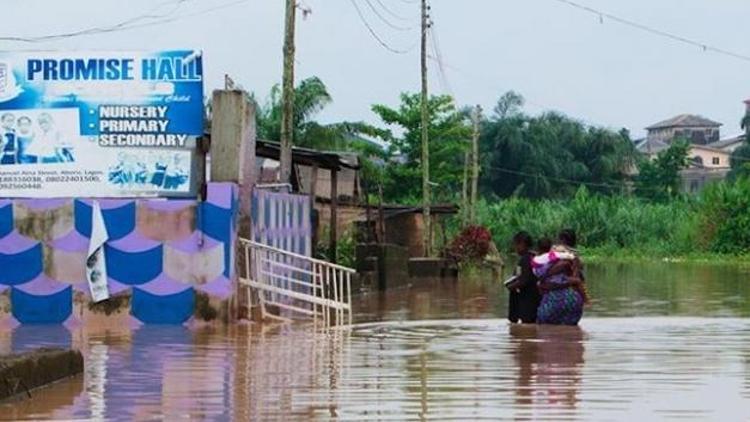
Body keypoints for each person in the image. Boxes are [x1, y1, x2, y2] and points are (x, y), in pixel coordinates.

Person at [533, 229, 587, 326]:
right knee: (572, 336)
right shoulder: (577, 258)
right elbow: (579, 278)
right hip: (574, 300)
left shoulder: (554, 253)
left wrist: (543, 278)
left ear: (562, 240)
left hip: (555, 298)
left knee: (544, 330)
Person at [507, 231, 542, 324]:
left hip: (528, 297)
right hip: (536, 296)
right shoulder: (535, 256)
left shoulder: (525, 259)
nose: (515, 248)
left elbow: (524, 279)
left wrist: (511, 286)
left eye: (516, 245)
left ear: (522, 244)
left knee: (527, 322)